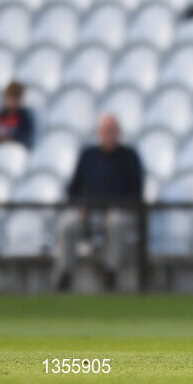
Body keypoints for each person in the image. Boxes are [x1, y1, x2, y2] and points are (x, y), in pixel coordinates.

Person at [54, 115, 143, 292]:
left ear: (119, 133)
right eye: (105, 132)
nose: (109, 136)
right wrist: (81, 207)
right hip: (88, 211)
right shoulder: (88, 156)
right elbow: (73, 189)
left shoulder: (129, 157)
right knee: (68, 224)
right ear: (98, 134)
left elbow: (136, 192)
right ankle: (65, 274)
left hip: (117, 210)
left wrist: (116, 207)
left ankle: (111, 274)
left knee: (115, 222)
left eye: (112, 131)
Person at [0, 81, 33, 148]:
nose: (10, 102)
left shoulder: (24, 117)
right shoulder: (0, 115)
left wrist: (10, 139)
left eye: (13, 99)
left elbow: (27, 139)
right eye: (8, 98)